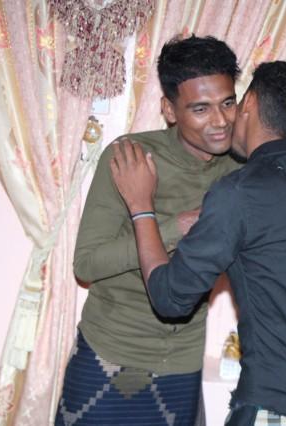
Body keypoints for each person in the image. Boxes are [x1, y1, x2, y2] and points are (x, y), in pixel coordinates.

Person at [109, 61, 286, 426]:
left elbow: (170, 298)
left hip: (282, 405)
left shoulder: (240, 192)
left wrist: (141, 207)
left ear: (250, 103)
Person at [56, 36, 241, 425]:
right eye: (201, 108)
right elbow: (87, 264)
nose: (221, 121)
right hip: (109, 352)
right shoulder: (130, 156)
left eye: (228, 103)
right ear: (169, 110)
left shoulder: (240, 171)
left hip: (183, 363)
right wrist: (177, 226)